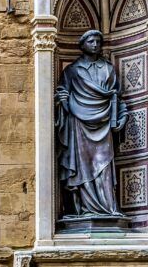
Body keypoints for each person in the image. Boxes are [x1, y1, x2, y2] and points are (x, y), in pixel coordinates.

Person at [55, 29, 128, 220]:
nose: (95, 45)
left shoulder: (108, 69)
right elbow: (61, 93)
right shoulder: (72, 71)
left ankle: (108, 207)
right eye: (91, 42)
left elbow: (117, 97)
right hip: (78, 123)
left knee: (103, 164)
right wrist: (63, 101)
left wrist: (122, 116)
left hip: (104, 125)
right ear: (83, 45)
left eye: (98, 41)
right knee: (83, 166)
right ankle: (81, 210)